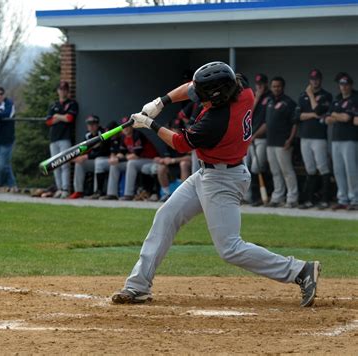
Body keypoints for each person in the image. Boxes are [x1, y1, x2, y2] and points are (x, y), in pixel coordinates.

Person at [111, 61, 320, 308]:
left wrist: (150, 124)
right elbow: (194, 86)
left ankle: (300, 270)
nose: (196, 98)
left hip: (223, 181)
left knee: (230, 248)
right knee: (166, 216)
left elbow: (180, 143)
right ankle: (138, 286)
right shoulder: (240, 88)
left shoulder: (216, 122)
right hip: (207, 173)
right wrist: (161, 102)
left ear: (217, 97)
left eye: (202, 96)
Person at [297, 69, 333, 209]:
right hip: (305, 136)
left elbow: (319, 111)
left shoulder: (326, 96)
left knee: (323, 167)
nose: (314, 81)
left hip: (319, 137)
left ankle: (325, 199)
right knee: (310, 169)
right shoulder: (302, 96)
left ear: (321, 80)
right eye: (312, 79)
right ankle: (309, 200)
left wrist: (311, 95)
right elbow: (298, 116)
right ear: (309, 80)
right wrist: (312, 115)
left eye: (317, 79)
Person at [101, 117, 158, 201]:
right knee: (115, 165)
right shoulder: (123, 137)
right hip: (138, 161)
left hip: (150, 159)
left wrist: (119, 159)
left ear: (132, 126)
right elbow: (121, 153)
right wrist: (115, 158)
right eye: (124, 126)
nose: (126, 128)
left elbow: (135, 155)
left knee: (131, 163)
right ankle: (112, 194)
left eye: (127, 126)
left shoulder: (137, 135)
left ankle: (128, 194)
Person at [325, 73, 358, 210]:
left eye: (346, 84)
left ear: (350, 85)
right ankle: (342, 198)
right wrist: (337, 116)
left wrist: (335, 115)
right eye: (341, 85)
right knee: (338, 170)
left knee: (351, 170)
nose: (343, 87)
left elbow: (346, 118)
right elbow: (327, 119)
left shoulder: (355, 98)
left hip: (350, 139)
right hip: (336, 139)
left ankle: (355, 199)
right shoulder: (337, 99)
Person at [264, 77, 299, 208]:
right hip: (270, 142)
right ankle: (277, 197)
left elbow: (295, 123)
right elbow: (266, 123)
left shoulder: (289, 102)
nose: (276, 88)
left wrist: (290, 140)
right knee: (275, 171)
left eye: (278, 86)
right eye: (274, 86)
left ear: (283, 87)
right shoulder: (269, 101)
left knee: (287, 171)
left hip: (283, 142)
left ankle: (292, 198)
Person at [45, 81, 78, 199]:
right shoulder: (53, 105)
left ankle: (65, 189)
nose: (63, 91)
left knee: (64, 164)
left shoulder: (72, 104)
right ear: (58, 91)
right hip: (54, 138)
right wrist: (61, 117)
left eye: (65, 89)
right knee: (55, 165)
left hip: (65, 138)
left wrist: (57, 116)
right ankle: (59, 188)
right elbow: (48, 121)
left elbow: (69, 118)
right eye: (61, 89)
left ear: (67, 91)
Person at [245, 73, 272, 206]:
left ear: (266, 83)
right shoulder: (254, 97)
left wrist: (254, 136)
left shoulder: (270, 97)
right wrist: (258, 97)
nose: (259, 86)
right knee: (247, 167)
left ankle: (258, 197)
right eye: (257, 84)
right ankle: (249, 196)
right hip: (250, 138)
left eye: (261, 83)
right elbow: (248, 113)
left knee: (257, 167)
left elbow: (267, 122)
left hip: (262, 137)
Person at [69, 115, 110, 199]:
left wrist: (86, 157)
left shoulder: (103, 134)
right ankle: (78, 191)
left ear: (97, 124)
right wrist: (76, 157)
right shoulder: (87, 136)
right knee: (79, 163)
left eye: (93, 124)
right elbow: (83, 150)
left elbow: (103, 152)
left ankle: (97, 192)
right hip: (93, 160)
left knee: (98, 161)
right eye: (89, 124)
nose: (91, 126)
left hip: (105, 160)